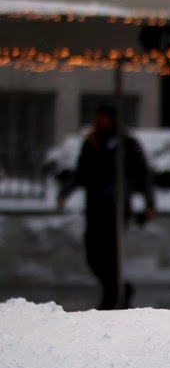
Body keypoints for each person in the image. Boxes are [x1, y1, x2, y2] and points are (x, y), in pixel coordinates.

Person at [57, 104, 157, 309]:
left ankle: (113, 294)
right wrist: (65, 191)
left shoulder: (128, 144)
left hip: (117, 207)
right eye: (98, 118)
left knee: (111, 253)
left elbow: (142, 174)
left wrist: (149, 203)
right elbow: (81, 172)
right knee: (94, 254)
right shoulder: (92, 142)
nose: (99, 122)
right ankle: (117, 289)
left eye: (103, 118)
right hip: (95, 206)